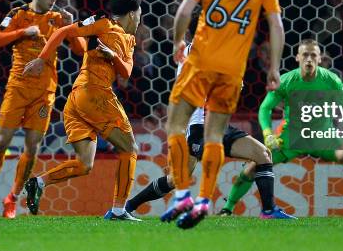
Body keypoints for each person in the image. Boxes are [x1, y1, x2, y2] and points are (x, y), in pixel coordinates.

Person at [161, 0, 284, 229]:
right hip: (232, 72)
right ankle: (204, 199)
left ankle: (182, 197)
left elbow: (184, 12)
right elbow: (276, 27)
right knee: (215, 134)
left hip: (201, 63)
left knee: (175, 124)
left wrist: (178, 41)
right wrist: (274, 68)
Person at [118, 17, 294, 220]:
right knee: (176, 179)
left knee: (263, 154)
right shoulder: (191, 54)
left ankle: (269, 210)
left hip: (218, 125)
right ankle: (128, 206)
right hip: (199, 128)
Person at [22, 0, 143, 222]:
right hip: (95, 94)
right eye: (139, 14)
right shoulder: (103, 23)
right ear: (131, 14)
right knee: (130, 150)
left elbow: (125, 72)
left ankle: (38, 182)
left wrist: (112, 56)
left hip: (77, 100)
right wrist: (41, 59)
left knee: (84, 164)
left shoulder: (129, 40)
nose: (139, 19)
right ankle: (119, 211)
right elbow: (63, 31)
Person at [221, 39, 343, 217]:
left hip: (321, 135)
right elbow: (265, 108)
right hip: (291, 137)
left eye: (313, 55)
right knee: (255, 166)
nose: (309, 59)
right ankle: (228, 208)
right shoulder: (286, 80)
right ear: (297, 57)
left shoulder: (331, 80)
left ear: (319, 58)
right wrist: (268, 133)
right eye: (305, 55)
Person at [0, 0, 82, 219]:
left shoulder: (58, 19)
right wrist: (23, 32)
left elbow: (80, 50)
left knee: (32, 148)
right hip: (18, 88)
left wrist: (72, 28)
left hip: (45, 93)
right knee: (1, 143)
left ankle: (13, 197)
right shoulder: (18, 14)